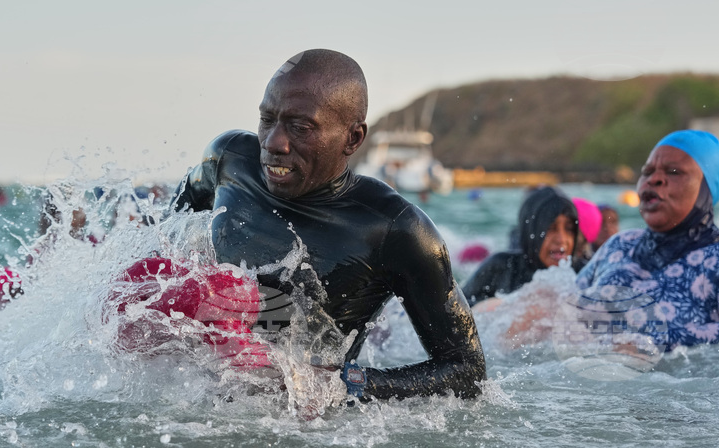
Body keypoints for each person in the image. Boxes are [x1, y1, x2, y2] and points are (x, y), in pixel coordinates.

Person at [170, 49, 485, 400]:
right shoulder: (230, 159)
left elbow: (467, 370)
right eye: (267, 119)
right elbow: (168, 232)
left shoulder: (395, 228)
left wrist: (344, 384)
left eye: (300, 127)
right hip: (192, 392)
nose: (273, 142)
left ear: (353, 138)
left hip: (304, 424)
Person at [577, 129, 719, 349]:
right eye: (647, 171)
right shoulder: (619, 245)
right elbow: (563, 309)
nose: (654, 179)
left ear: (706, 188)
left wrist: (649, 344)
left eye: (674, 172)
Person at [462, 186, 579, 306]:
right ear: (531, 231)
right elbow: (456, 307)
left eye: (569, 229)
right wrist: (500, 306)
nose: (561, 239)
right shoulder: (502, 267)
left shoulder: (581, 274)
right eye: (551, 228)